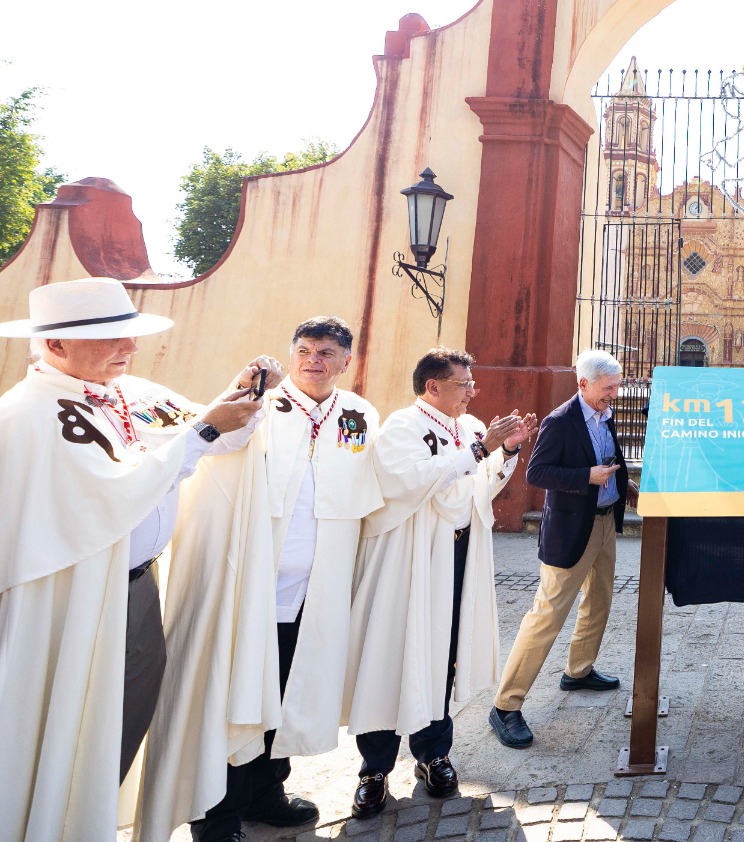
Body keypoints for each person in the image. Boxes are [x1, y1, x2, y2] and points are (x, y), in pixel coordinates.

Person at [0, 278, 264, 842]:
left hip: (136, 589)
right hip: (73, 604)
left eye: (129, 333)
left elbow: (210, 436)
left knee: (122, 718)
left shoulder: (127, 393)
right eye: (110, 336)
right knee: (71, 726)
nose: (129, 347)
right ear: (55, 346)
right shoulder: (32, 413)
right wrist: (207, 426)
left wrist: (241, 397)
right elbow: (113, 495)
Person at [137, 317, 386, 842]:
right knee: (237, 697)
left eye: (325, 352)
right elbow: (221, 446)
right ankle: (216, 813)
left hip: (316, 588)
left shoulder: (360, 413)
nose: (313, 360)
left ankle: (266, 793)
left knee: (285, 696)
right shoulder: (263, 404)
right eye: (303, 350)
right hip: (253, 585)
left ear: (347, 359)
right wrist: (247, 387)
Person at [344, 349, 537, 817]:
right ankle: (375, 769)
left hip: (456, 555)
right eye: (464, 383)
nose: (473, 390)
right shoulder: (402, 427)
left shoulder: (471, 428)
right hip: (410, 559)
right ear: (433, 386)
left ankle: (434, 755)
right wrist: (479, 449)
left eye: (471, 382)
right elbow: (404, 482)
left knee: (441, 656)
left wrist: (505, 450)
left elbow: (480, 487)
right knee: (395, 653)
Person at [489, 349, 631, 749]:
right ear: (583, 384)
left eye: (617, 387)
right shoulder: (559, 421)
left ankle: (579, 670)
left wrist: (625, 488)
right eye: (608, 388)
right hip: (569, 531)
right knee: (547, 615)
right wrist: (587, 476)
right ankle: (505, 705)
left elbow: (612, 457)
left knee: (599, 601)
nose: (614, 395)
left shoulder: (604, 413)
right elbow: (537, 473)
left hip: (603, 524)